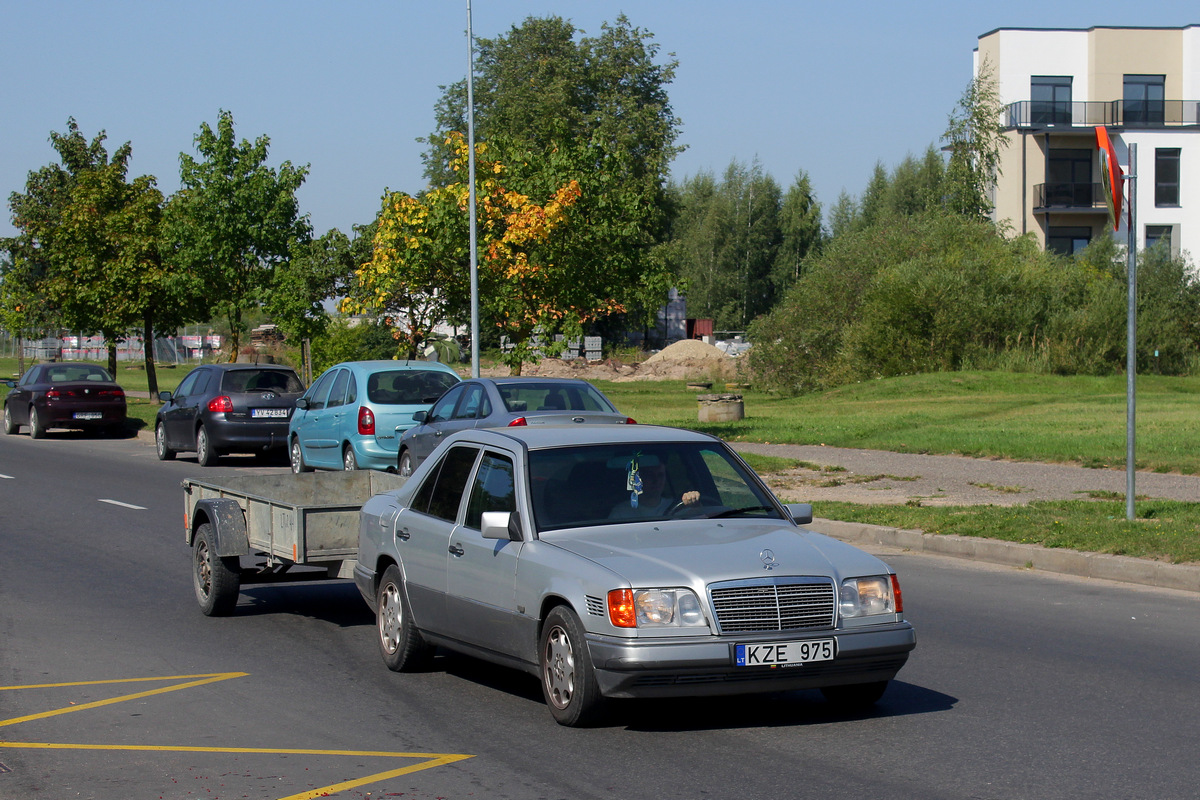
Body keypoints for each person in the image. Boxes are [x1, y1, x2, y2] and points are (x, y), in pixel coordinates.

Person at [610, 458, 699, 519]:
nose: (656, 480)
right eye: (650, 475)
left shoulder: (678, 506)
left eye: (660, 475)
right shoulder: (621, 513)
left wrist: (695, 505)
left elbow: (700, 528)